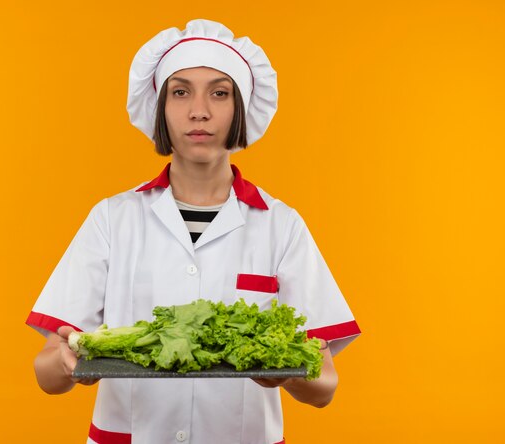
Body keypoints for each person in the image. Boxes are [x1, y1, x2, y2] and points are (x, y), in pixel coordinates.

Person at [27, 19, 360, 444]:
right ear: (160, 107)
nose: (198, 110)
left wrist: (285, 376)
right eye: (180, 91)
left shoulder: (281, 225)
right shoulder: (113, 218)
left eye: (219, 93)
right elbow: (46, 372)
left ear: (240, 108)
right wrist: (69, 365)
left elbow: (324, 387)